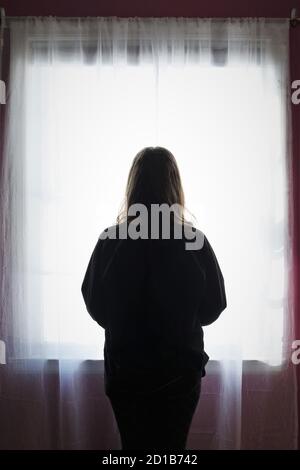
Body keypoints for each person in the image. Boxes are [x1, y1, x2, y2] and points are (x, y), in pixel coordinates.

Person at [81, 146, 227, 450]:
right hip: (180, 374)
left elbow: (94, 303)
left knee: (133, 448)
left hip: (125, 372)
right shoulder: (193, 241)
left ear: (133, 185)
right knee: (173, 449)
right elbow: (214, 307)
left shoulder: (111, 240)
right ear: (174, 186)